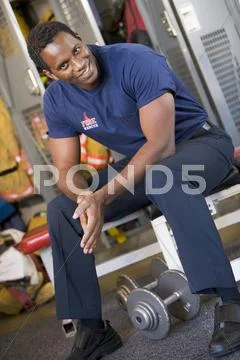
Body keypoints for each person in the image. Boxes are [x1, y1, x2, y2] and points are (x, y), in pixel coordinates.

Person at [27, 21, 240, 359]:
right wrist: (86, 199)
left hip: (197, 144)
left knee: (162, 176)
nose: (78, 64)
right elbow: (65, 169)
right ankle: (92, 329)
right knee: (62, 209)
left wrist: (104, 195)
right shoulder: (57, 100)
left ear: (82, 41)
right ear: (51, 75)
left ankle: (232, 304)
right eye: (64, 65)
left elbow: (161, 144)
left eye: (77, 51)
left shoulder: (135, 60)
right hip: (142, 167)